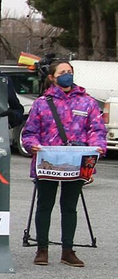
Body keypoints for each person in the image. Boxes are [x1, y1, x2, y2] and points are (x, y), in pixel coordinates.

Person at [21, 60, 107, 267]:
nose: (67, 75)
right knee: (45, 205)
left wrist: (98, 147)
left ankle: (67, 250)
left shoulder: (88, 102)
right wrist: (32, 145)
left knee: (69, 207)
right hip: (48, 162)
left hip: (76, 162)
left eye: (70, 71)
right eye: (62, 72)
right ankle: (42, 249)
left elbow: (97, 130)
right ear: (52, 77)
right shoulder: (42, 103)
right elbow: (30, 132)